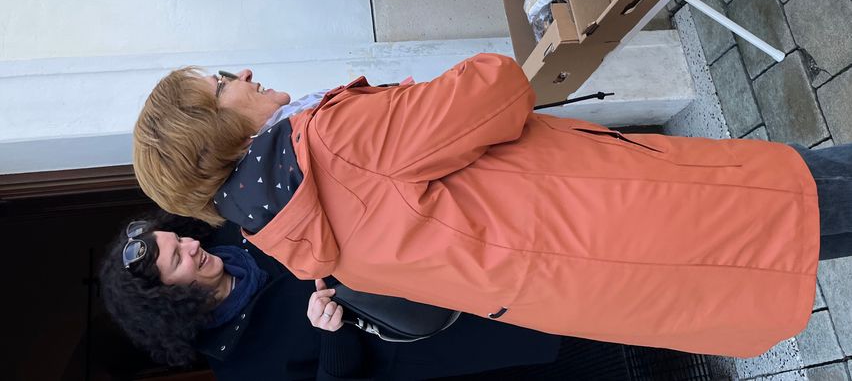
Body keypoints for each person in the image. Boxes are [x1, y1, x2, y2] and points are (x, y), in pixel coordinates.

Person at [130, 55, 847, 359]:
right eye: (224, 81)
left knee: (807, 235)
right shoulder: (330, 145)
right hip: (630, 211)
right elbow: (498, 90)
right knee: (807, 200)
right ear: (218, 130)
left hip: (611, 277)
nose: (245, 74)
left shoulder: (291, 231)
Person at [100, 210, 572, 379]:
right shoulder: (243, 367)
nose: (192, 245)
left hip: (467, 257)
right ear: (170, 302)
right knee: (587, 327)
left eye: (177, 240)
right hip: (471, 334)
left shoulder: (241, 228)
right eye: (178, 259)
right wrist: (332, 336)